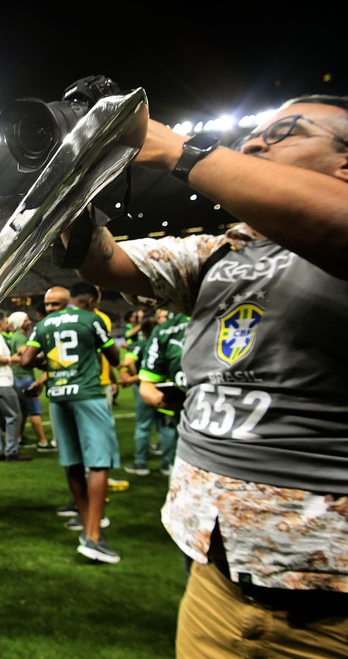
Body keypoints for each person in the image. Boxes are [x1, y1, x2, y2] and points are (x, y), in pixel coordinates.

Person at [61, 94, 348, 655]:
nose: (256, 141)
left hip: (334, 602)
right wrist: (74, 183)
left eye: (286, 130)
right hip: (215, 578)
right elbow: (102, 262)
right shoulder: (220, 251)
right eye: (254, 134)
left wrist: (174, 147)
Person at [20, 286, 122, 564]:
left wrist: (48, 362)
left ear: (62, 303)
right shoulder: (91, 319)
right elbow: (115, 358)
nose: (51, 308)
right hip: (88, 393)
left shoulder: (43, 325)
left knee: (73, 462)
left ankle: (87, 522)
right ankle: (94, 537)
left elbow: (26, 360)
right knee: (99, 463)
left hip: (58, 396)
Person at [136, 312, 190, 477]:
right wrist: (162, 399)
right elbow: (146, 385)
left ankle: (144, 461)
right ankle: (162, 462)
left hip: (244, 444)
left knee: (147, 427)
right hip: (185, 432)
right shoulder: (165, 331)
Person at [0, 310, 28, 461]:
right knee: (14, 416)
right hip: (2, 382)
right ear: (0, 321)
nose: (7, 322)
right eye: (5, 320)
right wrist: (11, 359)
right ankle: (11, 450)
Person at [6, 311, 50, 451]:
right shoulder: (20, 338)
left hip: (19, 376)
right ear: (19, 322)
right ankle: (43, 442)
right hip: (24, 377)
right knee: (34, 409)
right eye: (26, 320)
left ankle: (19, 438)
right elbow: (25, 355)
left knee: (24, 410)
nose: (29, 322)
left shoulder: (19, 336)